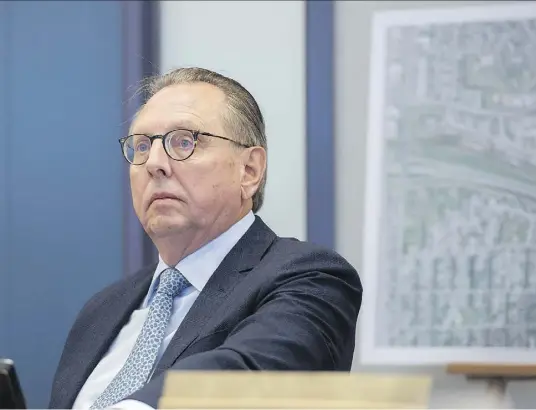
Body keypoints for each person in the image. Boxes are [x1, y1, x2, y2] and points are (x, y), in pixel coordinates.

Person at [48, 67, 363, 410]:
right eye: (140, 146)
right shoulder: (101, 310)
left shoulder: (311, 278)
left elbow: (249, 373)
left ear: (249, 171)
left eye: (184, 142)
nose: (155, 163)